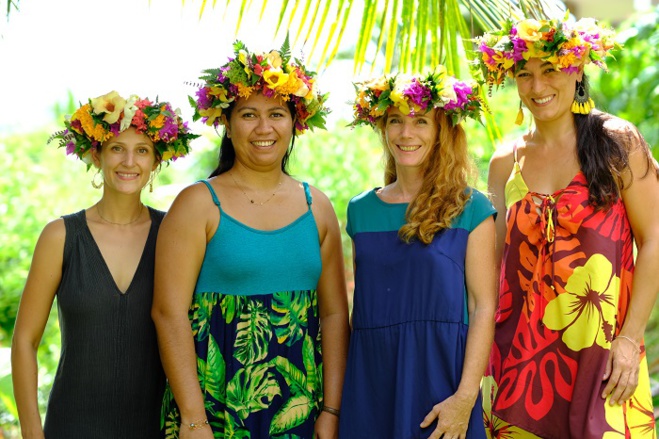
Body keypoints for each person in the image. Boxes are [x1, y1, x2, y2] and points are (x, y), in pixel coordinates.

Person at [151, 37, 350, 439]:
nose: (264, 128)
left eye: (277, 113)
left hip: (298, 411)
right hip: (213, 414)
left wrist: (331, 409)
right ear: (226, 123)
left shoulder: (318, 207)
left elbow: (332, 315)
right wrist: (193, 419)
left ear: (295, 122)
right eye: (248, 114)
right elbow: (167, 313)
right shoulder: (198, 204)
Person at [475, 15, 659, 438]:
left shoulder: (618, 142)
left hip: (605, 362)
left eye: (550, 70)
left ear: (576, 69)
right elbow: (493, 270)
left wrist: (630, 341)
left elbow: (654, 241)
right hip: (519, 368)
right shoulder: (506, 162)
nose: (538, 87)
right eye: (525, 74)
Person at [11, 90, 197, 438]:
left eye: (142, 150)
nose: (129, 162)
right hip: (71, 427)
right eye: (117, 149)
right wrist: (32, 434)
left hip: (156, 429)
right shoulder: (61, 237)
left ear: (156, 161)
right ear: (96, 155)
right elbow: (25, 341)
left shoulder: (173, 235)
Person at [338, 68, 498, 439]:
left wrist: (464, 397)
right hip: (372, 380)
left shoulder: (470, 207)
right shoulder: (360, 211)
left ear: (442, 131)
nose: (406, 134)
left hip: (441, 380)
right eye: (395, 121)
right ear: (383, 128)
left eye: (421, 121)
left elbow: (483, 306)